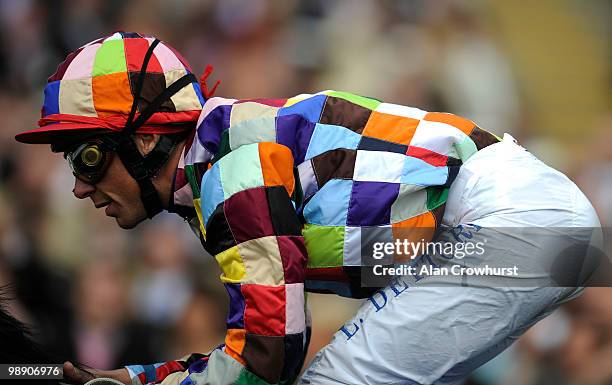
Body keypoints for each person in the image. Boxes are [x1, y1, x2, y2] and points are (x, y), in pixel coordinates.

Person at [16, 32, 602, 385]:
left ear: (145, 139)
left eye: (86, 155)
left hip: (509, 219)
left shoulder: (230, 170)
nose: (79, 186)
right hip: (519, 219)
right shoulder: (222, 157)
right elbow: (265, 353)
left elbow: (269, 359)